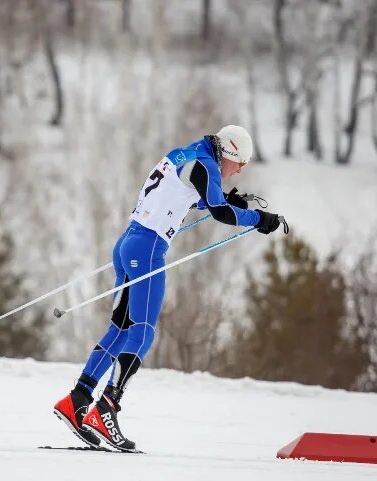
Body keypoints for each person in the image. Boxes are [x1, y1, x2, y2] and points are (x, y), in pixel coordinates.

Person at [53, 125, 285, 452]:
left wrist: (218, 200)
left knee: (121, 328)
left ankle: (77, 401)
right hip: (148, 249)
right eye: (241, 163)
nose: (240, 170)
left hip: (128, 243)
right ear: (230, 152)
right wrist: (258, 219)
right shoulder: (205, 164)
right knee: (143, 330)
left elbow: (185, 197)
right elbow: (220, 211)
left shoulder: (187, 154)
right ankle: (104, 410)